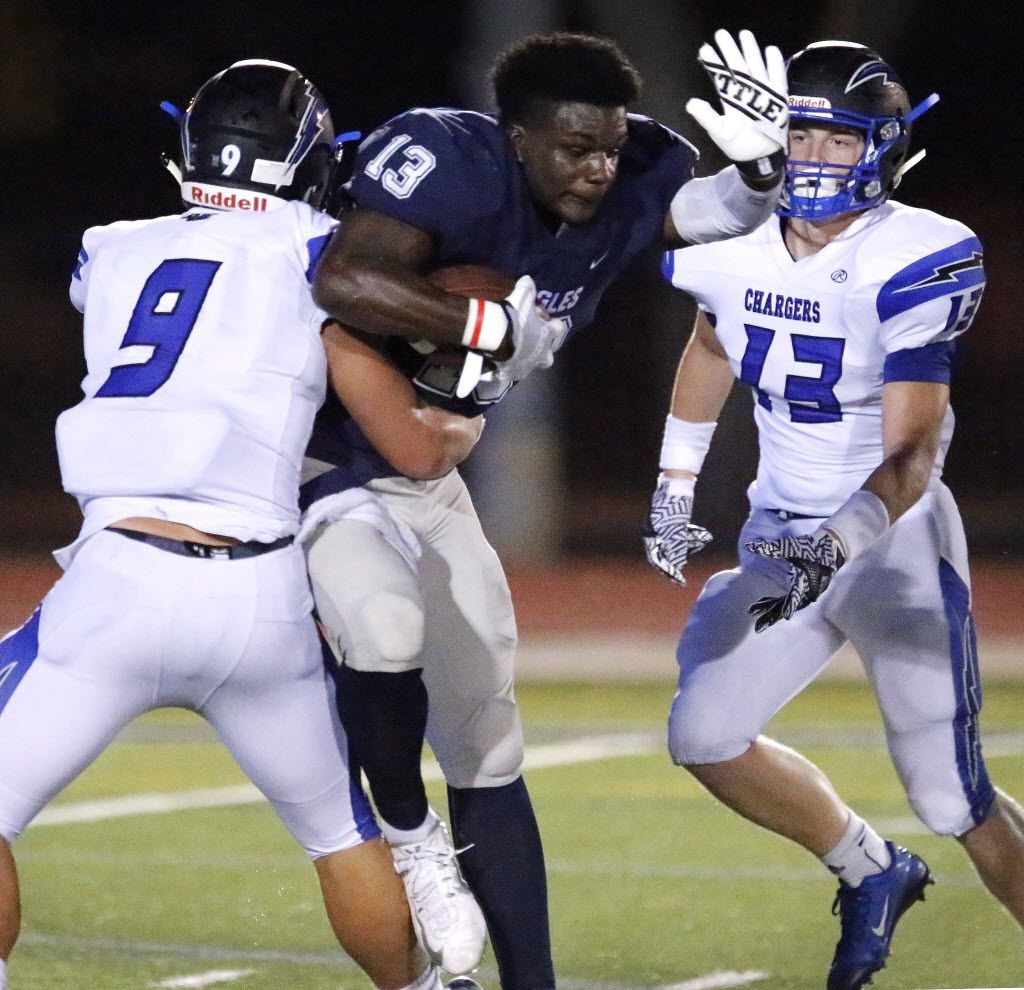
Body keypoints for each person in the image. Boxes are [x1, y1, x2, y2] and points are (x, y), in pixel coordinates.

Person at [304, 28, 790, 990]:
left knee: (489, 735)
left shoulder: (632, 173)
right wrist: (483, 326)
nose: (598, 169)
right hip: (330, 463)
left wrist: (768, 173)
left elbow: (710, 214)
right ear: (516, 137)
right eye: (573, 148)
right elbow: (345, 280)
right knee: (383, 631)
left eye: (609, 147)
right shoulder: (449, 162)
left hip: (433, 471)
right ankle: (409, 835)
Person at [0, 59, 481, 990]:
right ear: (312, 164)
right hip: (263, 595)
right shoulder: (329, 255)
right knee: (342, 836)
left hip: (118, 590)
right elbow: (391, 369)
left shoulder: (109, 246)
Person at [645, 40, 1024, 990]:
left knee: (951, 793)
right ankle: (869, 867)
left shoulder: (921, 251)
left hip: (889, 546)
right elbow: (709, 344)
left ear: (884, 149)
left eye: (836, 138)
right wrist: (672, 487)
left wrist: (838, 541)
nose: (813, 157)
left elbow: (912, 453)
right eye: (800, 133)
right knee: (703, 736)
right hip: (780, 531)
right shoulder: (736, 245)